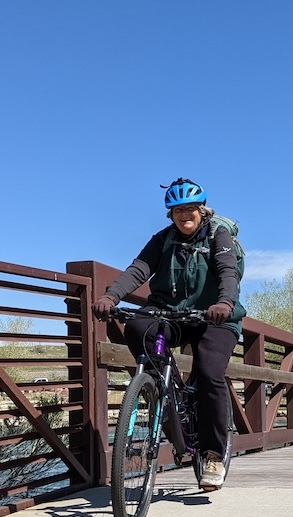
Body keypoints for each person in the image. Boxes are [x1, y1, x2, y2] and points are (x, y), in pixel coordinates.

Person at [91, 177, 245, 489]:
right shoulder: (163, 239)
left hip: (213, 316)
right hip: (170, 311)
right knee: (136, 327)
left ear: (201, 210)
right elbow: (138, 270)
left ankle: (213, 453)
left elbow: (228, 270)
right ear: (170, 214)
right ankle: (160, 388)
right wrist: (111, 296)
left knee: (209, 372)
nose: (183, 214)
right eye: (177, 210)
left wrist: (225, 302)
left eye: (189, 208)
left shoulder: (220, 235)